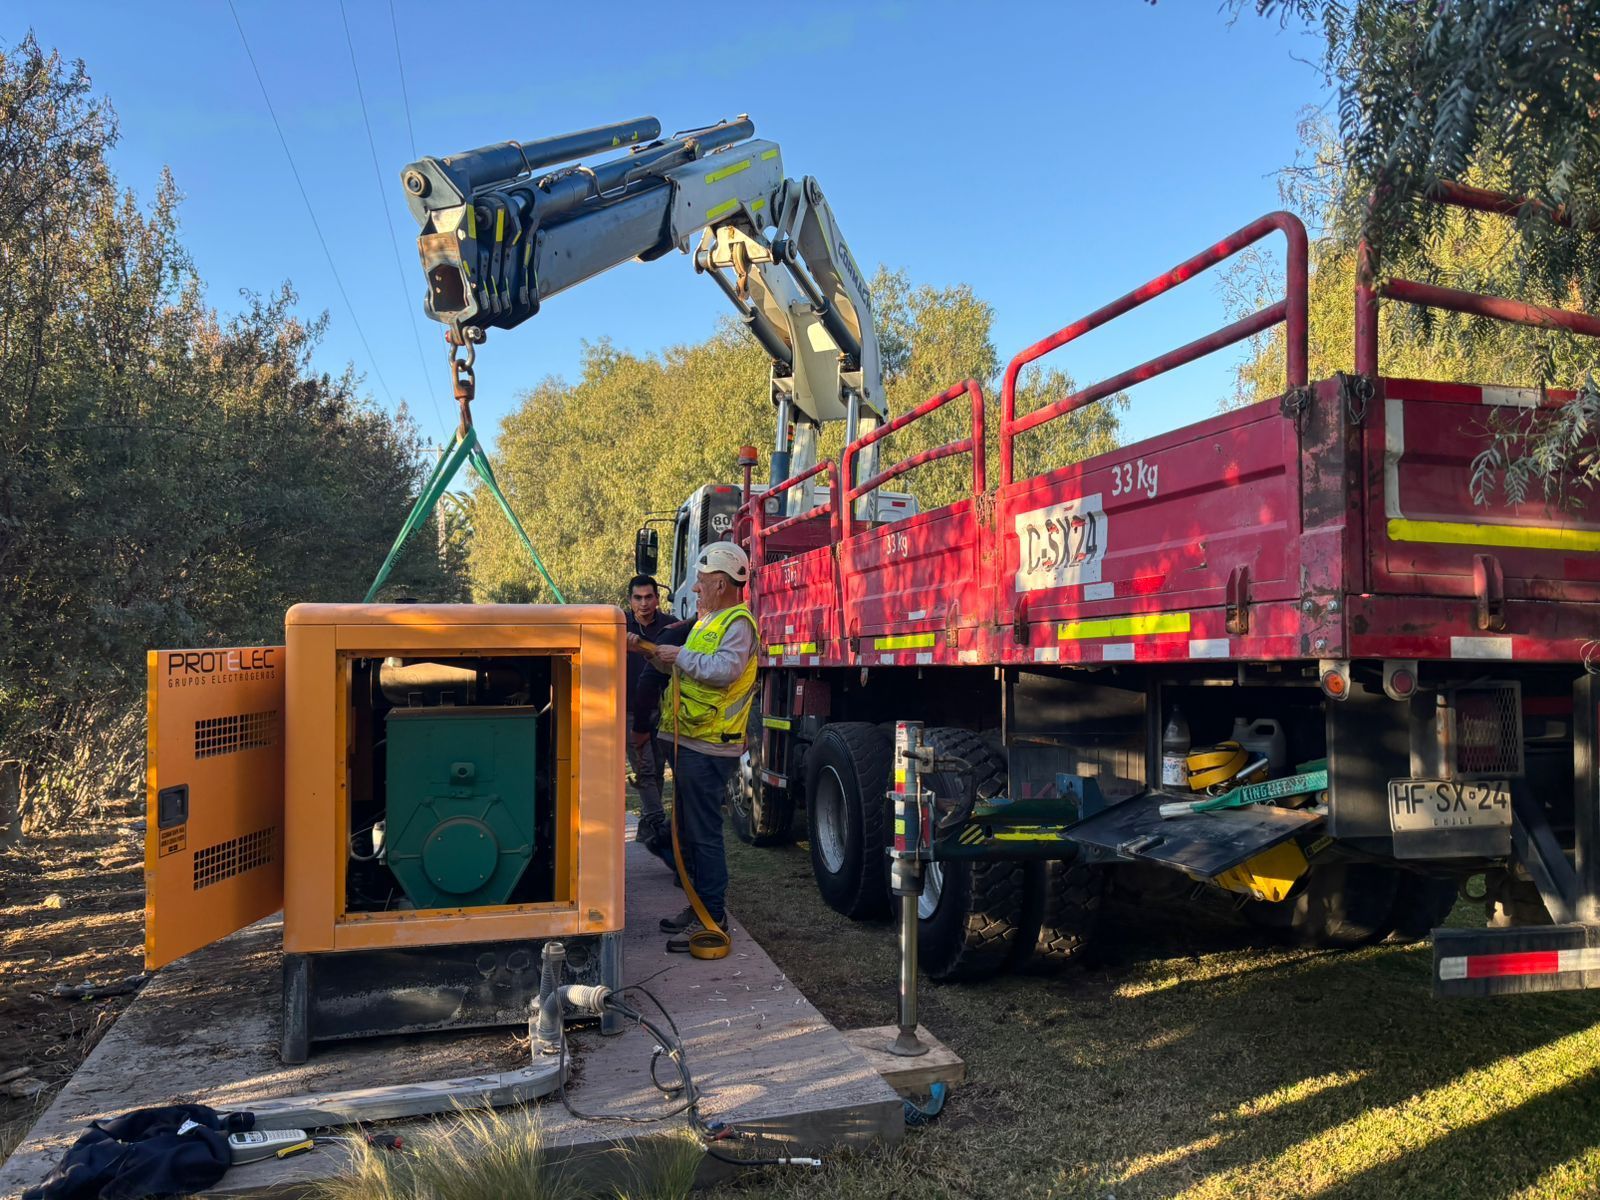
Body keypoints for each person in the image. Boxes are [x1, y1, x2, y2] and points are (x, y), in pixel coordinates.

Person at [630, 541, 756, 954]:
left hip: (709, 748)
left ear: (720, 583)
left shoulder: (737, 623)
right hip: (690, 743)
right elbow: (688, 669)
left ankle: (712, 917)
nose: (696, 589)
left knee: (703, 835)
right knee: (686, 832)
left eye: (701, 582)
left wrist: (678, 655)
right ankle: (699, 907)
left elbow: (724, 670)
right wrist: (650, 653)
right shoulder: (709, 620)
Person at [622, 573, 677, 854]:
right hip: (630, 709)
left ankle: (646, 828)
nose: (643, 603)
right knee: (643, 769)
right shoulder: (618, 627)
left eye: (649, 597)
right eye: (638, 598)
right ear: (630, 600)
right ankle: (658, 825)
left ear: (657, 598)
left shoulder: (670, 626)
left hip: (664, 707)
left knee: (656, 770)